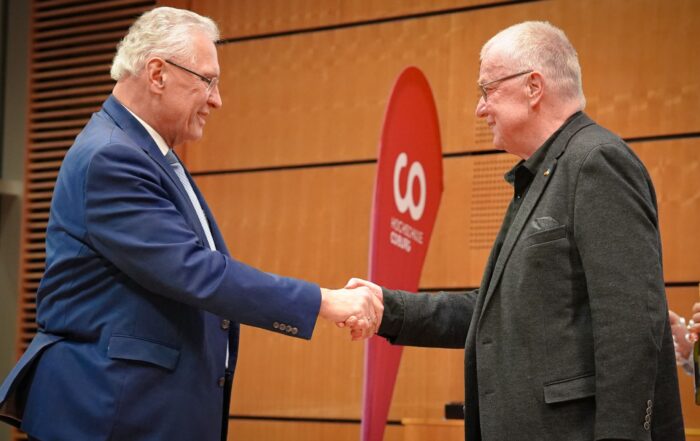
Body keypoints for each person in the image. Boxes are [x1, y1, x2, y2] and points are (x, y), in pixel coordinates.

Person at [0, 7, 381, 441]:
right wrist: (323, 301)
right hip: (110, 415)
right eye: (208, 80)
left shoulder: (145, 151)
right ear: (158, 73)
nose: (217, 99)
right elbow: (195, 271)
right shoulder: (112, 157)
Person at [347, 21, 685, 440]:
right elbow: (494, 312)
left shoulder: (596, 162)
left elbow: (631, 325)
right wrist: (387, 308)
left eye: (487, 89)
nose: (480, 108)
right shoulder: (544, 173)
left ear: (533, 87)